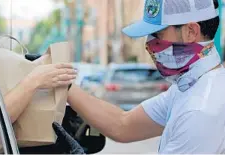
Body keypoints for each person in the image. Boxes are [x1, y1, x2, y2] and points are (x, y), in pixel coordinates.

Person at [67, 0, 225, 153]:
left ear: (191, 31)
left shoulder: (200, 110)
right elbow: (123, 124)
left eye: (157, 33)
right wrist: (65, 86)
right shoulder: (189, 87)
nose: (150, 43)